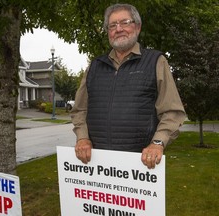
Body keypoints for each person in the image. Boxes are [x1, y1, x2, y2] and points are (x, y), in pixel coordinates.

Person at [71, 3, 186, 169]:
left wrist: (158, 142)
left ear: (137, 27)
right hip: (96, 164)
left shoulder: (155, 62)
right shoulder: (94, 66)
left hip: (139, 165)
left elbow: (172, 111)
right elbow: (79, 110)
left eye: (125, 22)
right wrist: (82, 137)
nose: (118, 29)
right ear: (108, 32)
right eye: (112, 25)